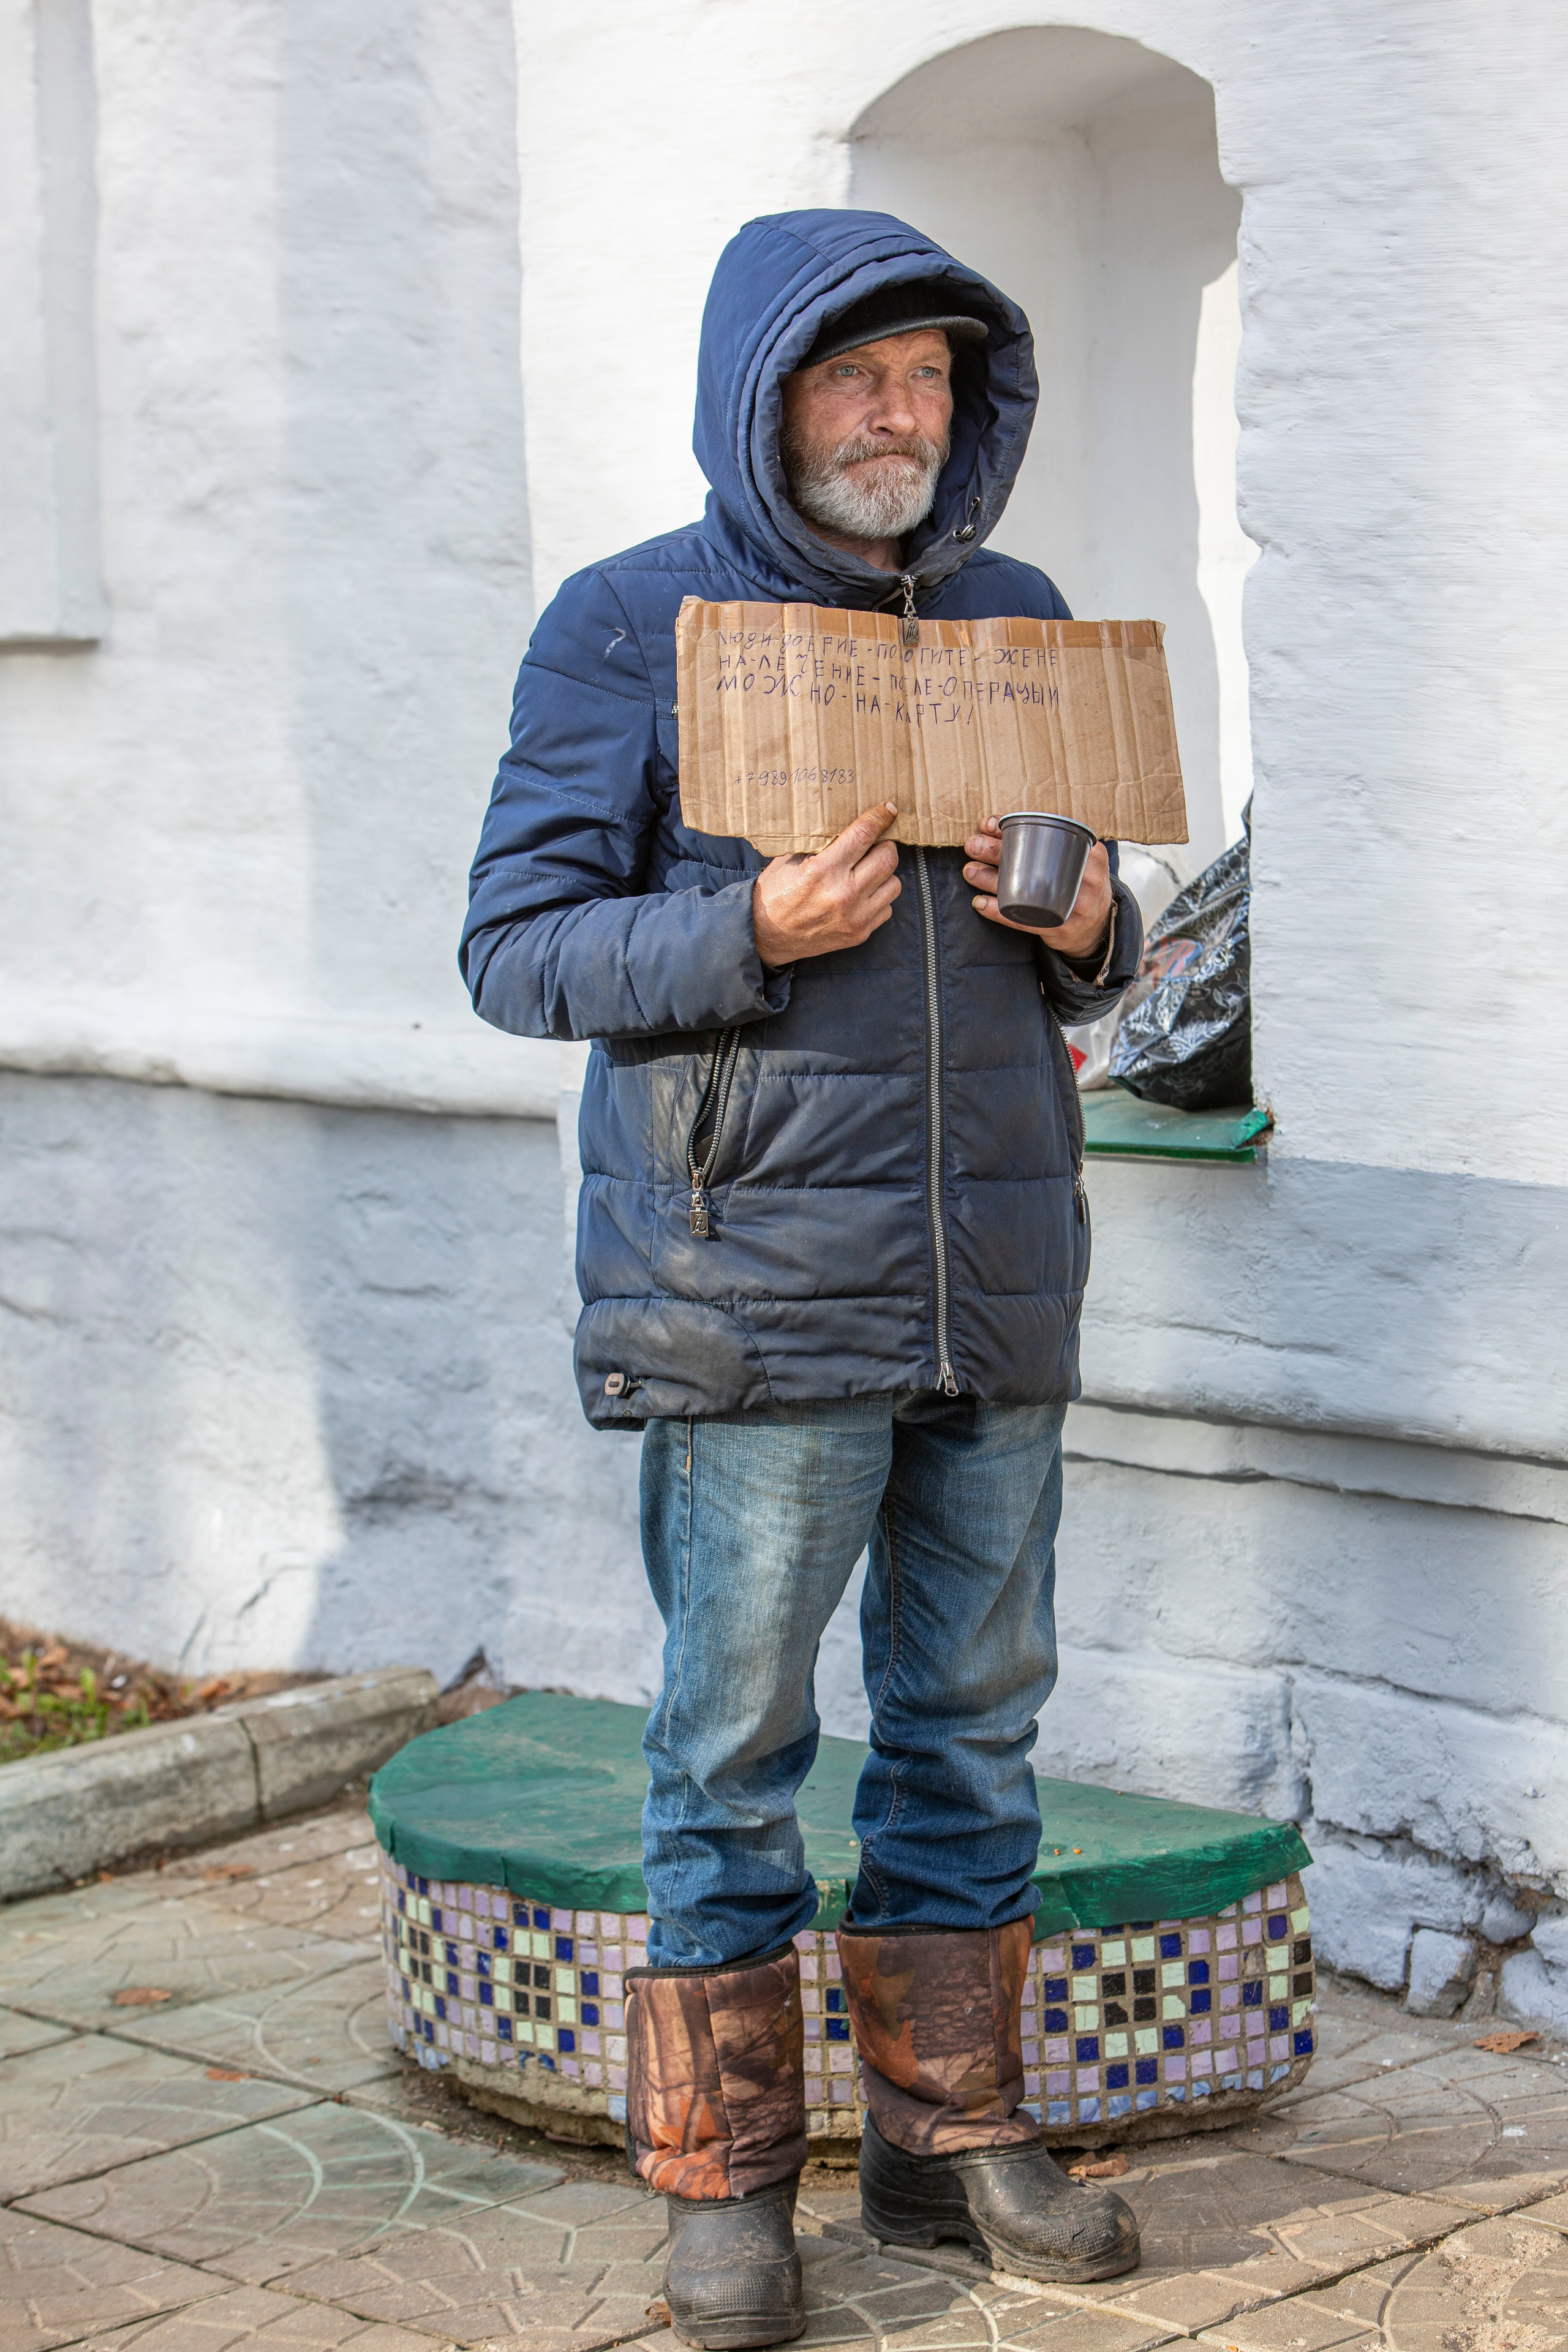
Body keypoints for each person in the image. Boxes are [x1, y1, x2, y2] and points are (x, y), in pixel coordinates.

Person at [461, 210, 1144, 2348]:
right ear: (765, 390)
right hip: (747, 1286)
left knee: (974, 1721)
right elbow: (514, 947)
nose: (899, 415)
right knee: (733, 1737)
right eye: (858, 378)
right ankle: (734, 2176)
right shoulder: (630, 624)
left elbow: (1115, 956)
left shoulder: (1021, 621)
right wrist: (745, 935)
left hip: (997, 1271)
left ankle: (951, 2144)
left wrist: (1090, 919)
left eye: (932, 378)